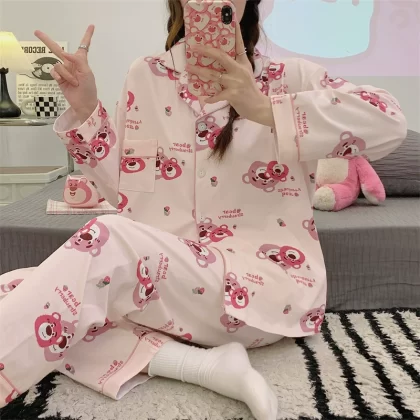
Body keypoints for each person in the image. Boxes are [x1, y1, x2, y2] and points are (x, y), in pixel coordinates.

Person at [0, 0, 406, 418]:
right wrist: (87, 110)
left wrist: (264, 109)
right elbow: (128, 191)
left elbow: (390, 120)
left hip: (259, 290)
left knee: (99, 250)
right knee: (17, 287)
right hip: (163, 287)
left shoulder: (290, 78)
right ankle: (199, 366)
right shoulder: (146, 75)